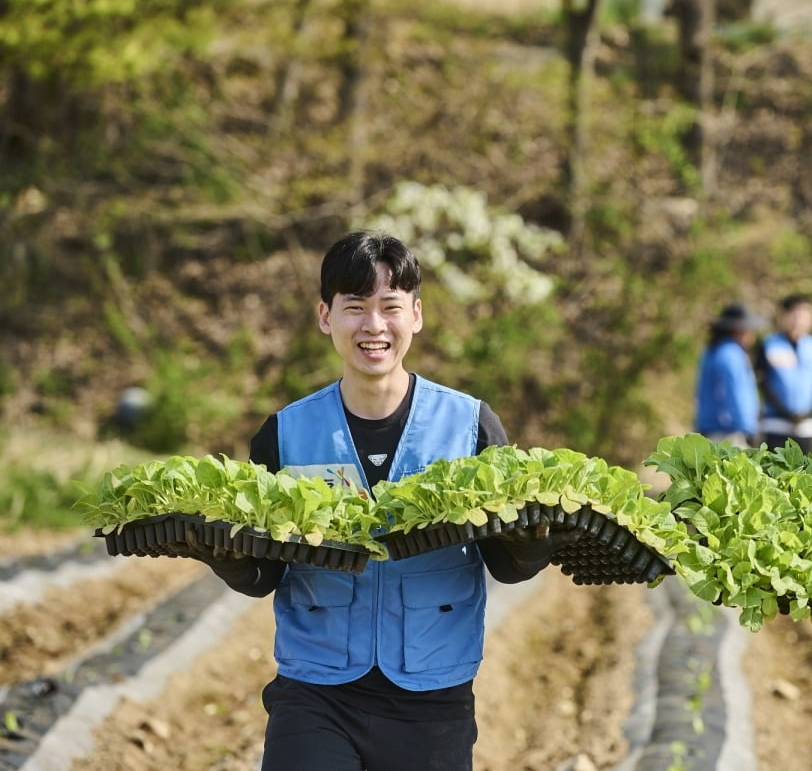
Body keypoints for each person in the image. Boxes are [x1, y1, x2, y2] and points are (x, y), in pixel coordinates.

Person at [172, 229, 566, 771]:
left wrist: (531, 544)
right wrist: (225, 555)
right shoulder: (285, 434)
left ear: (417, 316)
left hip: (433, 698)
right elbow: (264, 573)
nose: (373, 326)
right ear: (325, 316)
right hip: (316, 691)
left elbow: (504, 564)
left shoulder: (470, 425)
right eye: (355, 307)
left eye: (390, 307)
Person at [755, 293, 812, 454]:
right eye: (795, 314)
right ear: (783, 315)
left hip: (807, 426)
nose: (799, 320)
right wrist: (786, 413)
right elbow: (762, 381)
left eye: (805, 314)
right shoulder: (769, 344)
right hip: (776, 424)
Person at [694, 302, 764, 446]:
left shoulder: (713, 351)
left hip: (710, 430)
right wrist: (747, 428)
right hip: (728, 434)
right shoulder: (730, 355)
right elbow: (736, 394)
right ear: (738, 330)